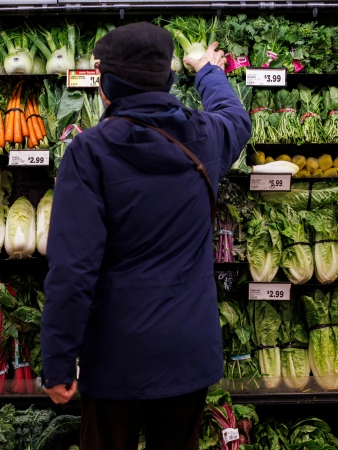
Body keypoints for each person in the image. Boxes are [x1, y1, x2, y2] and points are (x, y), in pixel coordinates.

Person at [41, 21, 251, 450]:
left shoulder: (88, 152)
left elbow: (73, 268)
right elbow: (236, 117)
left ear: (107, 86)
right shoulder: (204, 137)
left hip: (116, 355)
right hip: (188, 350)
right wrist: (208, 71)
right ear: (169, 80)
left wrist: (59, 361)